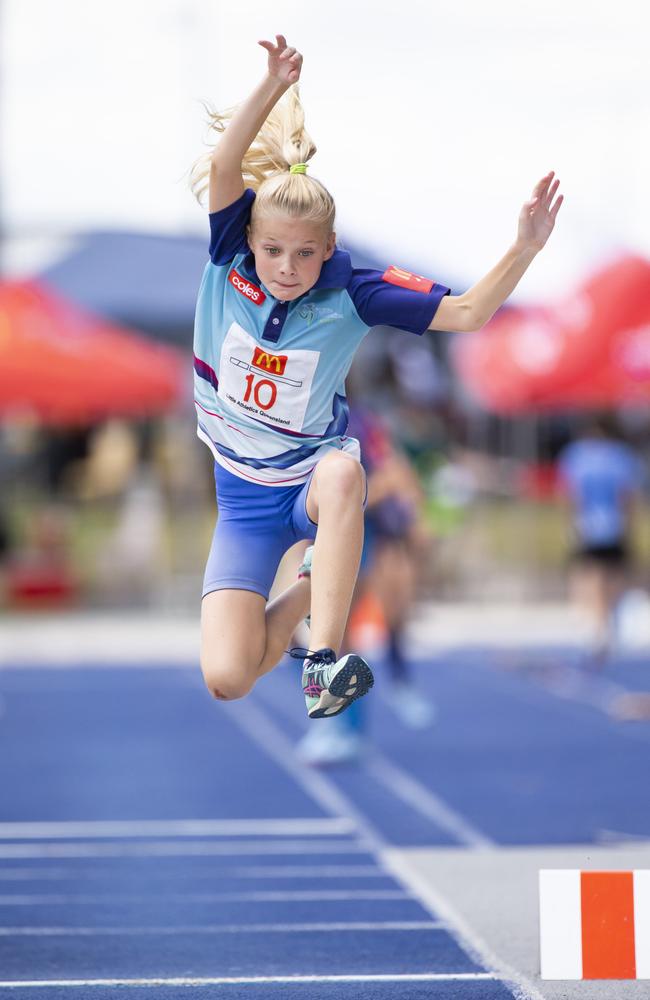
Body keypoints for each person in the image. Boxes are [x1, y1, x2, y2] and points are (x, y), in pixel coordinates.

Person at [189, 33, 563, 720]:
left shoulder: (355, 291)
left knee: (343, 472)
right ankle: (312, 581)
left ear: (330, 248)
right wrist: (272, 85)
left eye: (305, 254)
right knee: (227, 677)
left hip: (309, 483)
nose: (286, 267)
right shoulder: (228, 255)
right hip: (241, 500)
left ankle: (323, 663)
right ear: (250, 241)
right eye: (273, 251)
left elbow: (472, 312)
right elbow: (223, 163)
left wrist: (524, 247)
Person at [557, 414, 644, 663]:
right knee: (612, 574)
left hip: (588, 524)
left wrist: (569, 523)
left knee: (589, 574)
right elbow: (627, 497)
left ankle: (595, 624)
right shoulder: (621, 456)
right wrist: (630, 526)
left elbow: (571, 494)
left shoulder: (577, 455)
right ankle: (607, 618)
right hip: (613, 524)